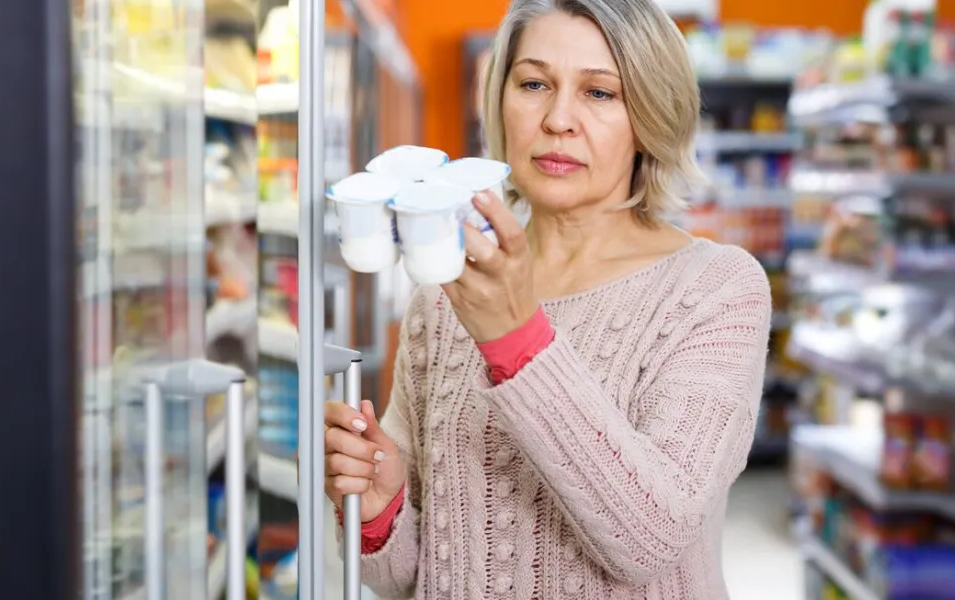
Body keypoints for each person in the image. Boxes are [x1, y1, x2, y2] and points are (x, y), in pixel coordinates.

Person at [322, 0, 772, 597]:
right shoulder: (444, 293)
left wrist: (514, 338)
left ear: (650, 115)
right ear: (501, 99)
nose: (559, 118)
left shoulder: (715, 290)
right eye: (534, 83)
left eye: (600, 93)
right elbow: (413, 576)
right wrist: (380, 510)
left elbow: (652, 543)